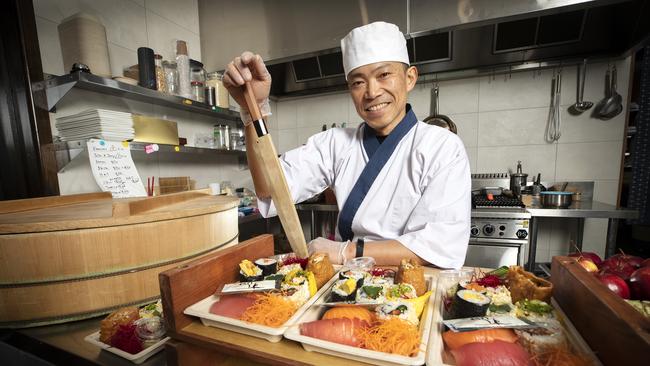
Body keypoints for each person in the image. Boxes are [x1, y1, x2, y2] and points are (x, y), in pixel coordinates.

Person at [224, 22, 470, 268]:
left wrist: (347, 251)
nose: (372, 92)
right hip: (347, 281)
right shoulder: (335, 143)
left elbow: (439, 247)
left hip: (414, 283)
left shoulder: (443, 147)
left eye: (384, 75)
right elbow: (269, 188)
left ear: (409, 78)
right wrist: (252, 109)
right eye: (358, 82)